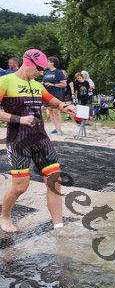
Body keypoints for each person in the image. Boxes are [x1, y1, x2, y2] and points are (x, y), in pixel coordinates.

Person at [0, 49, 76, 233]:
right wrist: (18, 119)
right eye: (40, 69)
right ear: (28, 63)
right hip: (18, 140)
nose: (41, 73)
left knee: (54, 181)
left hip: (40, 138)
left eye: (43, 70)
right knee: (21, 187)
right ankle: (5, 216)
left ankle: (59, 227)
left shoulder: (36, 85)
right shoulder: (5, 81)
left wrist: (64, 106)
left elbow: (52, 100)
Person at [41, 57, 67, 135]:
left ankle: (59, 129)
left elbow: (64, 84)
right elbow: (43, 81)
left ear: (52, 63)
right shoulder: (46, 72)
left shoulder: (59, 72)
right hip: (47, 94)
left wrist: (52, 84)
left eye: (48, 61)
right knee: (50, 111)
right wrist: (42, 84)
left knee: (56, 111)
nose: (46, 63)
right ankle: (56, 128)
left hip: (56, 94)